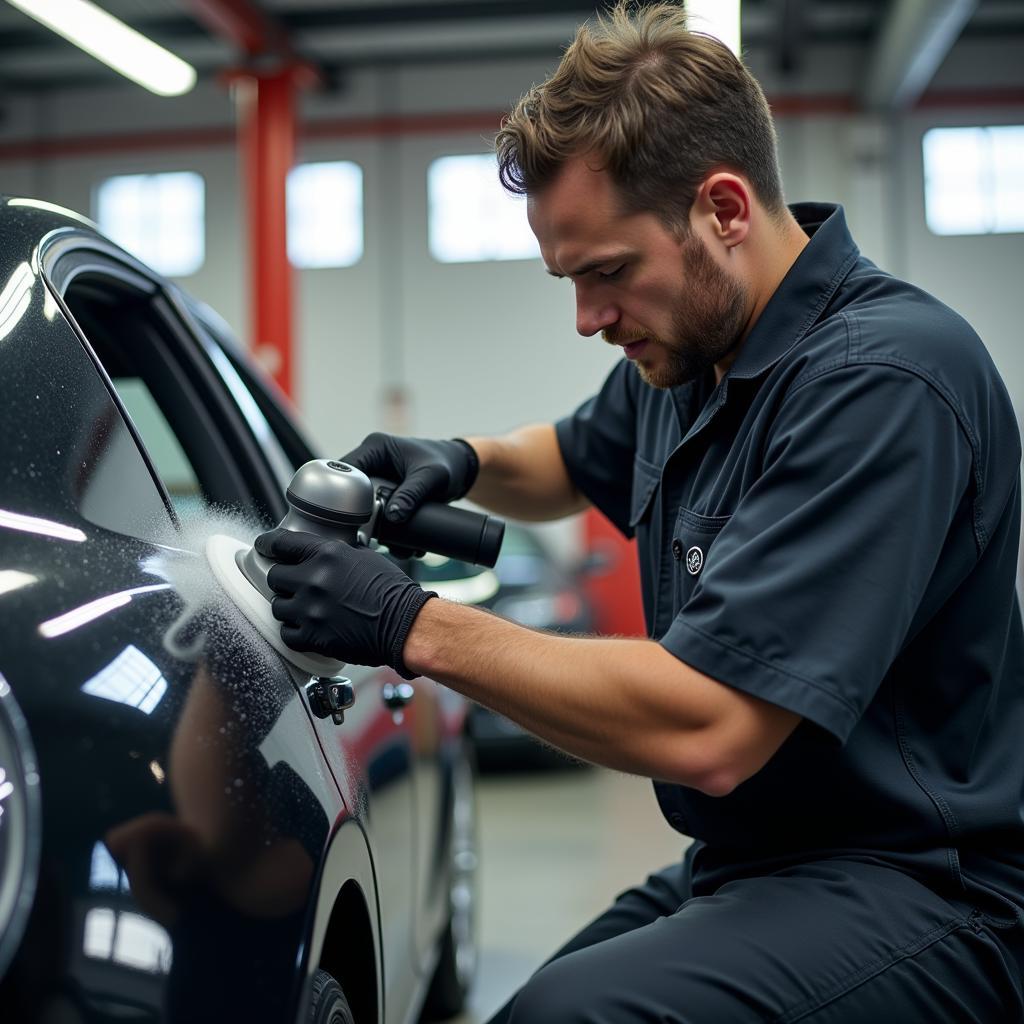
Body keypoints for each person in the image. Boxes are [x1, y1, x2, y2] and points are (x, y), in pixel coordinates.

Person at [255, 3, 1024, 1020]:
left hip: (925, 881)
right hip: (754, 860)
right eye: (569, 282)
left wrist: (409, 623)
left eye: (608, 273)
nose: (587, 320)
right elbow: (570, 460)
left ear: (723, 208)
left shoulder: (885, 382)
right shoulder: (694, 354)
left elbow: (712, 722)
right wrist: (457, 458)